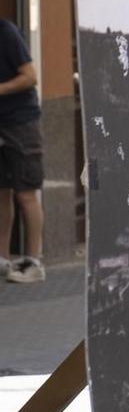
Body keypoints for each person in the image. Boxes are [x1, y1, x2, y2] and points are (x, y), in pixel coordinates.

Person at [0, 17, 44, 284]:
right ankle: (3, 261)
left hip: (21, 122)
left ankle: (33, 262)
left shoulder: (6, 32)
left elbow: (30, 76)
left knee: (26, 193)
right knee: (1, 192)